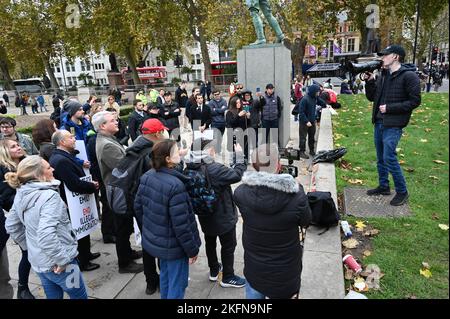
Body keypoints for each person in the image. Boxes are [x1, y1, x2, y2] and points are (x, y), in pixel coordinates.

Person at [234, 143, 311, 299]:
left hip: (254, 269)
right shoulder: (297, 196)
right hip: (285, 273)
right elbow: (306, 221)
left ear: (254, 166)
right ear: (278, 165)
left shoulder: (240, 193)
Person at [5, 156, 88, 299]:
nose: (53, 169)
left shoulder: (22, 192)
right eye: (49, 167)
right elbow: (46, 235)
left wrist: (29, 248)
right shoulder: (49, 197)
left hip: (39, 262)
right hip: (62, 264)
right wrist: (62, 260)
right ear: (38, 175)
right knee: (79, 295)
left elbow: (11, 225)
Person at [135, 140, 201, 299]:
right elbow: (182, 225)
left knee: (165, 277)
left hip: (158, 242)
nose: (180, 153)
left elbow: (138, 207)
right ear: (168, 159)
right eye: (177, 151)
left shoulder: (148, 176)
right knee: (177, 285)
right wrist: (192, 249)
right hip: (174, 247)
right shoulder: (175, 185)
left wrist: (151, 230)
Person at [116, 118, 170, 295]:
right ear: (156, 133)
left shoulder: (134, 147)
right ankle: (162, 279)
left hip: (136, 204)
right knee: (160, 243)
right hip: (152, 206)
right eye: (162, 131)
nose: (163, 134)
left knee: (147, 243)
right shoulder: (152, 152)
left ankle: (150, 282)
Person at [364, 45, 421, 206]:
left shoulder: (409, 76)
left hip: (394, 124)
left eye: (385, 55)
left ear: (395, 57)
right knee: (381, 157)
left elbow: (415, 101)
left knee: (389, 157)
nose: (382, 58)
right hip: (379, 122)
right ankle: (383, 186)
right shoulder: (383, 75)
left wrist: (390, 108)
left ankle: (402, 192)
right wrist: (369, 82)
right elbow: (373, 97)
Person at [94, 111, 144, 273]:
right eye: (112, 121)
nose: (117, 122)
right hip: (119, 192)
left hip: (120, 190)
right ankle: (124, 263)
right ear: (102, 126)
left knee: (125, 226)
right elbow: (126, 166)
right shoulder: (107, 145)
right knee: (122, 229)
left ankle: (128, 253)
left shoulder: (108, 139)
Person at [49, 130, 101, 272]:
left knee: (84, 229)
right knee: (78, 232)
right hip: (71, 204)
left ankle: (87, 254)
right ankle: (83, 261)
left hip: (77, 202)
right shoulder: (60, 160)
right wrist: (92, 186)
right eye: (70, 137)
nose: (74, 139)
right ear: (62, 142)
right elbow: (74, 184)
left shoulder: (65, 155)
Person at [0, 139, 35, 299]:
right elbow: (7, 200)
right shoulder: (3, 170)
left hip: (36, 215)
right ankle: (23, 288)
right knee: (27, 252)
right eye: (13, 146)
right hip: (23, 218)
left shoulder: (26, 163)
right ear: (5, 152)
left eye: (18, 144)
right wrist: (30, 198)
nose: (19, 147)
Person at [297, 84, 321, 159]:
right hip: (304, 122)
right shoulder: (305, 99)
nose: (318, 93)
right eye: (317, 92)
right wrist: (306, 121)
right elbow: (301, 112)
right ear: (313, 91)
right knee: (303, 137)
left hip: (312, 121)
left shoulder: (314, 98)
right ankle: (301, 151)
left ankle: (311, 150)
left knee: (312, 137)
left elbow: (320, 102)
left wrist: (326, 105)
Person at [226, 96, 250, 162]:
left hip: (243, 134)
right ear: (233, 104)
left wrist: (248, 118)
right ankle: (233, 163)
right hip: (234, 135)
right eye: (237, 103)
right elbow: (231, 123)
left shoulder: (242, 112)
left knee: (242, 151)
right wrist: (238, 116)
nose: (239, 104)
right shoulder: (229, 113)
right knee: (234, 152)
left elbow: (247, 124)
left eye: (239, 102)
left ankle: (243, 162)